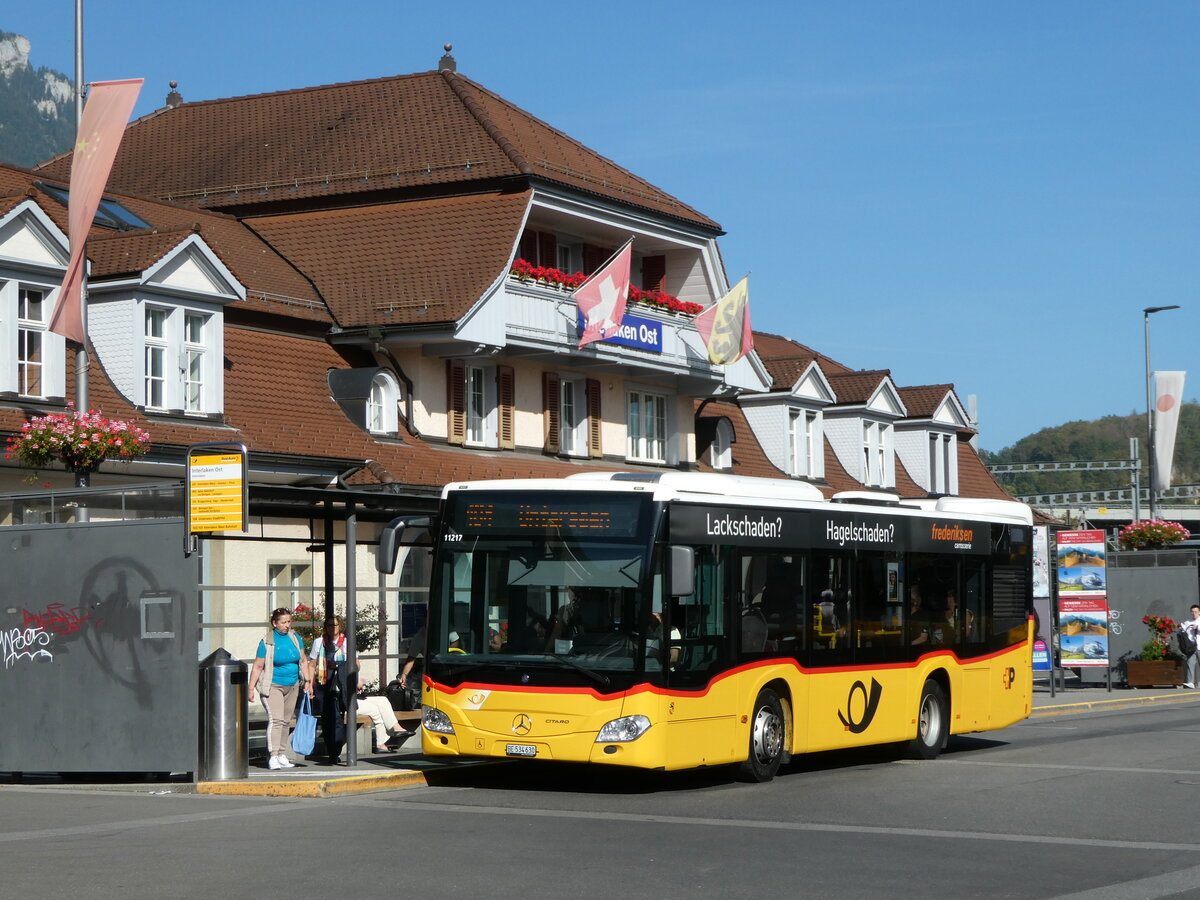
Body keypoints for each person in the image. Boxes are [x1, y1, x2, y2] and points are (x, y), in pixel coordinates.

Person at [248, 607, 314, 770]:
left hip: (292, 685)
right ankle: (273, 755)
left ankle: (282, 754)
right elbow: (258, 666)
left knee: (285, 721)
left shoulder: (295, 638)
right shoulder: (267, 641)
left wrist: (307, 680)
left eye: (289, 622)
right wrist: (250, 689)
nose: (286, 625)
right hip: (273, 685)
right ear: (274, 623)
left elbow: (303, 660)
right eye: (283, 622)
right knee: (276, 720)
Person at [309, 615, 355, 765]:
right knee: (328, 718)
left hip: (341, 685)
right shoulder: (319, 642)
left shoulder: (347, 642)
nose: (332, 628)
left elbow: (357, 664)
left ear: (340, 626)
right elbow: (311, 664)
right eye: (329, 625)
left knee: (338, 718)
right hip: (324, 684)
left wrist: (345, 666)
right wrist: (309, 683)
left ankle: (336, 750)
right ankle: (332, 751)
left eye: (335, 625)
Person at [1181, 605, 1200, 688]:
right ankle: (1190, 682)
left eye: (1195, 611)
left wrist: (1198, 628)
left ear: (1199, 612)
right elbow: (1184, 631)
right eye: (1192, 612)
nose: (1193, 613)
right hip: (1191, 647)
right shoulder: (1188, 622)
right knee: (1190, 663)